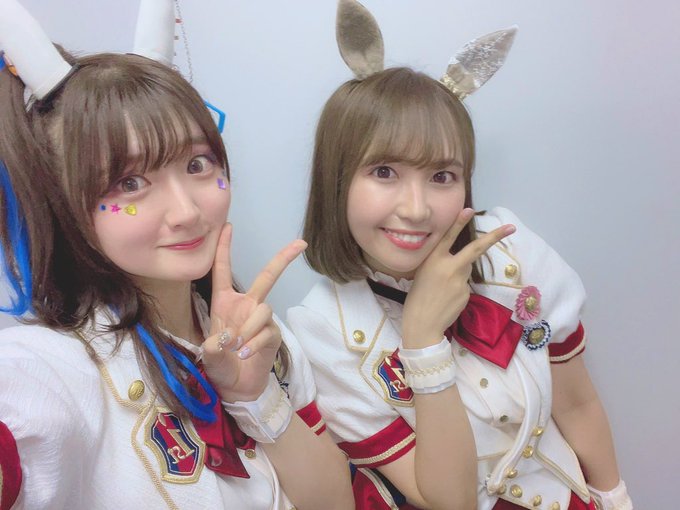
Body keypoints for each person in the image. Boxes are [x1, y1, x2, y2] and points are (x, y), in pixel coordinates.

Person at [0, 1, 353, 509]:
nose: (187, 211)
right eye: (130, 182)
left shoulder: (261, 335)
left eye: (197, 164)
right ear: (64, 202)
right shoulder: (54, 369)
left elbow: (336, 502)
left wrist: (256, 397)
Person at [287, 1, 633, 509]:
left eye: (442, 176)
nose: (416, 208)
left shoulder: (512, 251)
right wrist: (423, 341)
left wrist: (616, 498)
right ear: (335, 179)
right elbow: (448, 501)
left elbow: (577, 404)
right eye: (384, 172)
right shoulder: (323, 330)